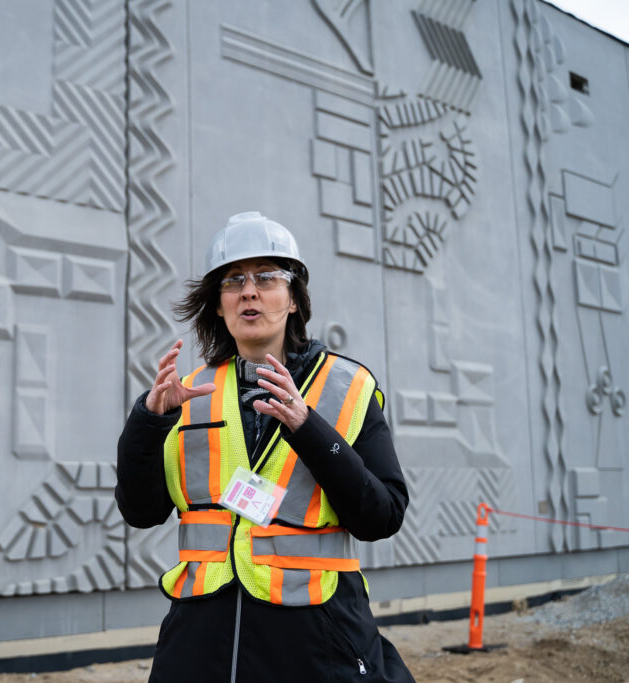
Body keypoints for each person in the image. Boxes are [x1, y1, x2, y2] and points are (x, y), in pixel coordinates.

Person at [116, 212, 413, 682]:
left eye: (267, 278)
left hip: (315, 643)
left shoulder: (347, 388)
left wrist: (308, 428)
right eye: (233, 281)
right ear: (218, 305)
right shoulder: (187, 395)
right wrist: (149, 422)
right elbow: (141, 510)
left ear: (294, 298)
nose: (248, 291)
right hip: (200, 643)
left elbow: (382, 516)